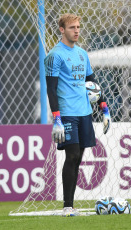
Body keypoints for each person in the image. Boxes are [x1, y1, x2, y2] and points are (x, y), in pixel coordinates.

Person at [44, 13, 112, 217]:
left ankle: (71, 207)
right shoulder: (55, 55)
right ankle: (67, 206)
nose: (77, 31)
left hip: (84, 112)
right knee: (72, 155)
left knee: (79, 157)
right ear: (62, 30)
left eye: (78, 27)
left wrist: (104, 107)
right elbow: (51, 88)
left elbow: (92, 82)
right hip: (66, 113)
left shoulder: (82, 54)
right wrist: (56, 118)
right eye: (72, 27)